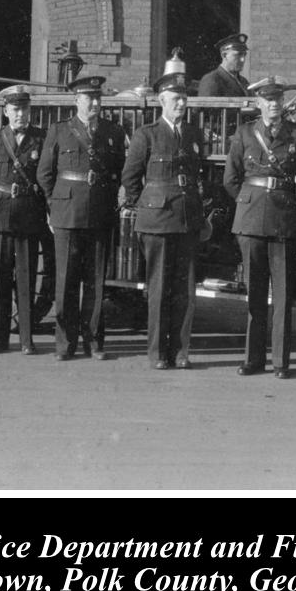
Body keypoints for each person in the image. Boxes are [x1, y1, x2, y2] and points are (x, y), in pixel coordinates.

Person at [223, 76, 296, 378]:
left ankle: (280, 362)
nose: (273, 105)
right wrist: (249, 202)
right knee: (254, 296)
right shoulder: (244, 134)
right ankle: (253, 360)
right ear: (259, 104)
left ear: (283, 104)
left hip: (284, 222)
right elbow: (231, 179)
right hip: (251, 223)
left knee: (283, 296)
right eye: (268, 100)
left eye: (278, 100)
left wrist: (295, 211)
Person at [37, 75, 127, 361]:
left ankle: (94, 342)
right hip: (67, 214)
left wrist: (114, 199)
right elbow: (44, 173)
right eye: (89, 98)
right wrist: (55, 204)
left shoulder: (113, 131)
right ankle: (65, 343)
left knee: (96, 281)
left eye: (98, 98)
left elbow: (120, 171)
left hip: (100, 212)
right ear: (76, 100)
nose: (95, 103)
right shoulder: (60, 131)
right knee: (65, 280)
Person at [121, 72, 205, 369]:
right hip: (157, 221)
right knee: (159, 288)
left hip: (186, 219)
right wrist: (146, 205)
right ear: (162, 102)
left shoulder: (194, 134)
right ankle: (158, 353)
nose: (181, 103)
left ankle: (181, 352)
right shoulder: (147, 134)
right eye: (175, 99)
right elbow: (130, 177)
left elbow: (199, 175)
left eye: (184, 98)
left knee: (185, 290)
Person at [0, 85, 49, 355]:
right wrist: (1, 200)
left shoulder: (40, 139)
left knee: (27, 280)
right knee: (2, 279)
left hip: (29, 215)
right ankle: (0, 339)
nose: (20, 114)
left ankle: (27, 340)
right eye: (15, 110)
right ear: (6, 111)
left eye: (25, 109)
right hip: (0, 217)